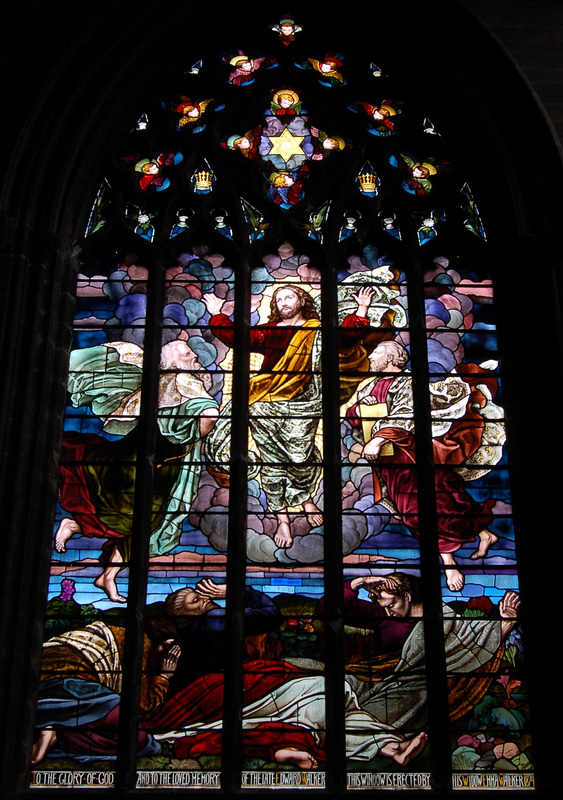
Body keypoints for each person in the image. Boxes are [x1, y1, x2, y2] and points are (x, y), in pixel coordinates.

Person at [205, 284, 377, 548]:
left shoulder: (317, 330)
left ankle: (305, 497)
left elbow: (346, 337)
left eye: (289, 297)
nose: (283, 302)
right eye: (278, 299)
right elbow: (236, 337)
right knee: (272, 460)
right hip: (265, 401)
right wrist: (217, 314)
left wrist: (362, 308)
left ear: (301, 300)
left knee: (299, 455)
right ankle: (283, 517)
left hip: (304, 402)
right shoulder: (270, 332)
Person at [54, 338, 219, 602]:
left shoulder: (163, 383)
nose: (194, 358)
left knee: (143, 524)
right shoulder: (184, 381)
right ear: (174, 365)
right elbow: (209, 416)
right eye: (188, 354)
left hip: (158, 465)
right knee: (133, 517)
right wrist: (195, 432)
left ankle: (107, 577)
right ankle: (73, 525)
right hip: (148, 464)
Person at [345, 340, 503, 591]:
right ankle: (484, 533)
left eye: (377, 352)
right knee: (447, 498)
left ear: (392, 358)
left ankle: (449, 562)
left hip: (411, 455)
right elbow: (358, 412)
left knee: (421, 507)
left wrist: (377, 438)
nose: (371, 356)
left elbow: (404, 415)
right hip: (389, 461)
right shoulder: (372, 385)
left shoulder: (407, 383)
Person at [342, 573, 520, 735]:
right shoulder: (383, 615)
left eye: (391, 605)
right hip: (373, 677)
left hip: (413, 689)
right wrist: (361, 582)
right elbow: (328, 609)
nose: (389, 612)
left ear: (408, 596)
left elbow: (473, 644)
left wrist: (506, 623)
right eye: (385, 607)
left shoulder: (445, 620)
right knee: (331, 685)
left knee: (367, 717)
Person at [31, 620, 181, 764]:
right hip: (75, 685)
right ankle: (61, 735)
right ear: (155, 639)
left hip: (41, 686)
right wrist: (163, 676)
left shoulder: (121, 636)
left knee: (117, 730)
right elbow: (143, 709)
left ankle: (57, 732)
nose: (168, 654)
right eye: (167, 647)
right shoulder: (142, 644)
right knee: (136, 736)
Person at [164, 578, 283, 692]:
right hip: (239, 690)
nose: (205, 597)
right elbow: (271, 616)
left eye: (201, 594)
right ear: (184, 615)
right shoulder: (212, 620)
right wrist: (236, 592)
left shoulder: (186, 638)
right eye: (195, 600)